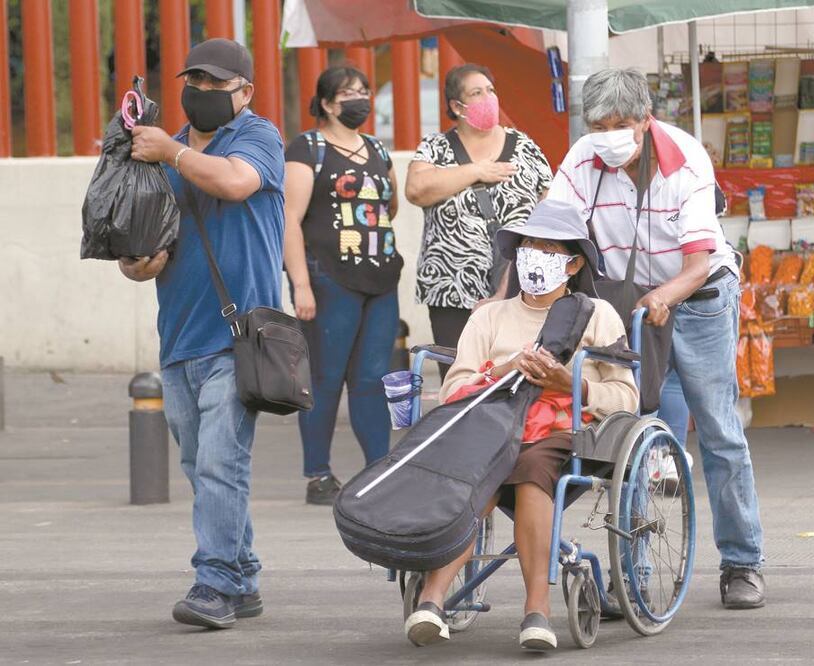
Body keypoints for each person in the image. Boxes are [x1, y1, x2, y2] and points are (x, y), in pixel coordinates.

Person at [547, 68, 766, 609]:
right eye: (599, 124)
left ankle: (742, 562)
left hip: (699, 296)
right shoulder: (581, 159)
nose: (609, 134)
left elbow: (696, 263)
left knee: (718, 427)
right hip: (628, 303)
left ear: (646, 121)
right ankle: (633, 573)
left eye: (621, 123)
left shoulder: (685, 160)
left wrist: (667, 296)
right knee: (630, 432)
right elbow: (551, 231)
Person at [403, 199, 638, 650]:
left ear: (572, 263)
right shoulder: (488, 317)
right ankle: (432, 601)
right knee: (475, 472)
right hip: (490, 428)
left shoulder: (597, 315)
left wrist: (569, 384)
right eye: (529, 246)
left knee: (530, 469)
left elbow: (627, 397)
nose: (535, 256)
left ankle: (537, 611)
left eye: (548, 249)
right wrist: (503, 368)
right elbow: (455, 390)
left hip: (561, 432)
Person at [122, 38, 285, 629]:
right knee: (201, 464)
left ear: (247, 92)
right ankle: (243, 576)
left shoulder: (256, 137)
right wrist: (136, 262)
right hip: (179, 333)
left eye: (219, 85)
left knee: (220, 461)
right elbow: (140, 238)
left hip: (241, 334)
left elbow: (237, 183)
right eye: (196, 82)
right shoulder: (158, 154)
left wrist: (169, 151)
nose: (204, 93)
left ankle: (214, 583)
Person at [283, 66, 402, 505]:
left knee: (373, 377)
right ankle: (318, 474)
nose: (360, 99)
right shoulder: (306, 149)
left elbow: (389, 204)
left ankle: (378, 470)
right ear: (328, 103)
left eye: (364, 91)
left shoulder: (375, 148)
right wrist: (301, 285)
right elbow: (289, 220)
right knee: (325, 377)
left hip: (381, 277)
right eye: (349, 93)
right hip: (329, 278)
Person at [404, 63, 552, 371]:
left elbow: (549, 210)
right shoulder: (435, 148)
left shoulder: (525, 147)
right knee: (459, 375)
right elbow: (416, 189)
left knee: (514, 374)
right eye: (476, 92)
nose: (488, 98)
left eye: (491, 90)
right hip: (451, 287)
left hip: (518, 287)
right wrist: (476, 171)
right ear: (457, 106)